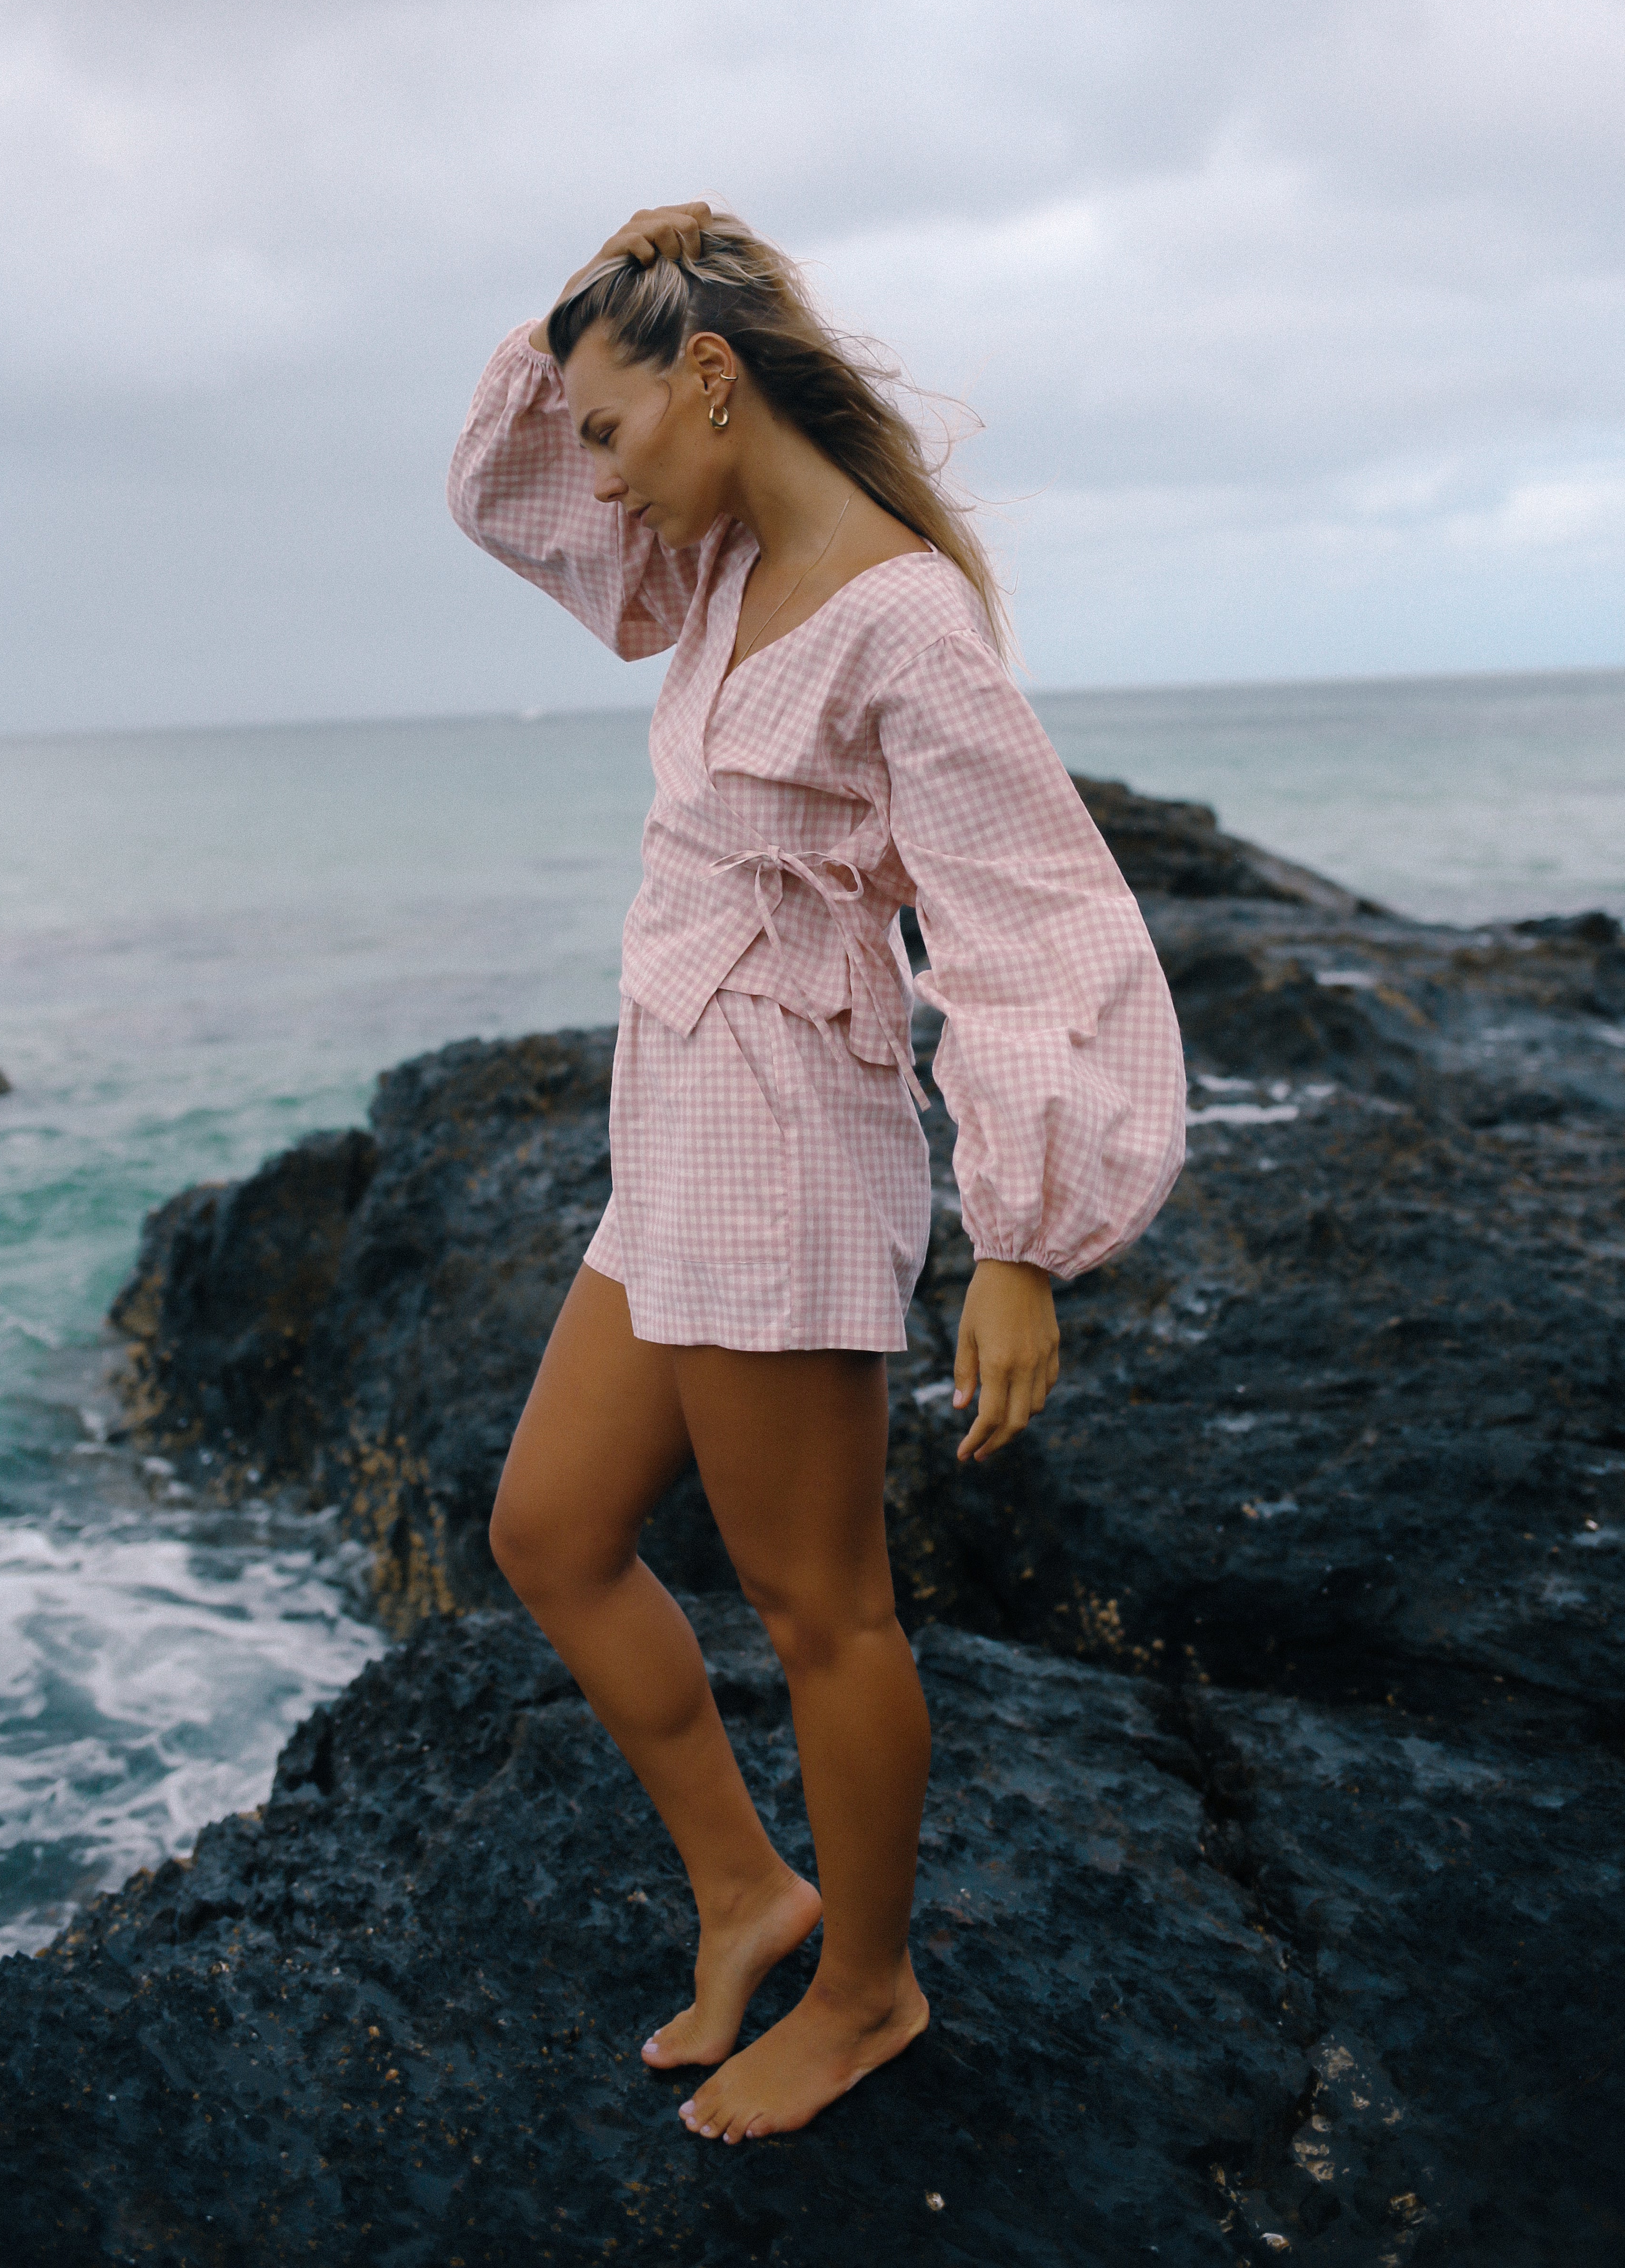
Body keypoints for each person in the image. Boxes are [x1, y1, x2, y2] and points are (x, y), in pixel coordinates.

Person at [447, 202, 1185, 2144]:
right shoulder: (712, 568)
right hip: (677, 1128)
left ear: (712, 379)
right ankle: (744, 1891)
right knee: (551, 1533)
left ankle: (868, 1990)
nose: (597, 472)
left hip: (785, 1142)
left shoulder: (900, 621)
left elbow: (1033, 921)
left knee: (822, 1611)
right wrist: (570, 313)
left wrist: (1021, 1244)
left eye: (616, 428)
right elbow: (511, 496)